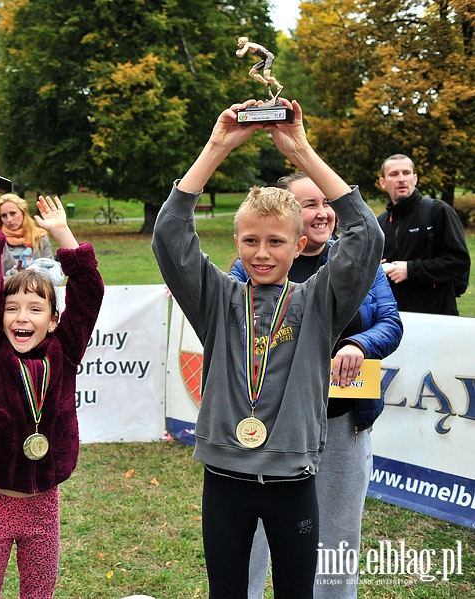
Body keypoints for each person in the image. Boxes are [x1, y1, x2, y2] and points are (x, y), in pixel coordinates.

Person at [151, 99, 383, 597]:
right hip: (224, 475)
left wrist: (300, 149)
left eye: (276, 242)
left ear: (299, 246)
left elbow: (366, 237)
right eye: (250, 241)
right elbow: (171, 234)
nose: (261, 253)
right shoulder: (216, 298)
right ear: (236, 242)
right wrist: (216, 147)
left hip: (293, 478)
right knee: (228, 591)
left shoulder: (318, 302)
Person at [231, 172, 403, 598]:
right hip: (271, 426)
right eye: (309, 204)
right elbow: (228, 331)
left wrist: (360, 345)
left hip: (342, 421)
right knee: (251, 535)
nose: (323, 212)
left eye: (327, 202)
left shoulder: (356, 260)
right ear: (285, 211)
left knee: (338, 533)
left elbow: (390, 322)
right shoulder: (250, 265)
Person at [0, 177, 104, 598]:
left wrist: (63, 235)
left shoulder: (65, 350)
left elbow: (89, 294)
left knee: (38, 594)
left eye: (35, 308)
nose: (22, 317)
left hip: (44, 505)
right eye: (12, 308)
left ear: (53, 319)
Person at [377, 154, 470, 315]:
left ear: (415, 178)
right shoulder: (380, 224)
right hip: (393, 319)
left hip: (437, 318)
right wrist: (376, 268)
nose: (401, 179)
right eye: (394, 174)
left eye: (406, 173)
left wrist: (411, 270)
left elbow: (459, 261)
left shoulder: (437, 211)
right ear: (382, 183)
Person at [0, 193, 54, 277]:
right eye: (4, 215)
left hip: (38, 288)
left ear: (23, 212)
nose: (9, 219)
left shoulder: (40, 237)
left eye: (13, 213)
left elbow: (52, 271)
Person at [236, 36, 284, 100]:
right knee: (251, 73)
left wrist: (237, 52)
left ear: (242, 42)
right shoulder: (249, 45)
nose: (238, 43)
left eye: (239, 42)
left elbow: (241, 54)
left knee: (266, 76)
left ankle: (279, 86)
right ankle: (266, 83)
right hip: (265, 59)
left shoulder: (248, 44)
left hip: (268, 57)